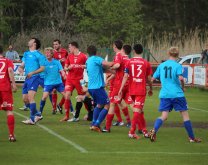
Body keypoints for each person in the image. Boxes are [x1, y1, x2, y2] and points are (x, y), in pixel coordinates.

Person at [149, 46, 201, 143]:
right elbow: (181, 78)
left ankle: (154, 130)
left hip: (165, 94)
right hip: (177, 94)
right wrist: (183, 87)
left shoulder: (161, 65)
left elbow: (151, 79)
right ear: (177, 55)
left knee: (164, 116)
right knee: (185, 116)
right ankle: (192, 138)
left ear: (169, 54)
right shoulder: (177, 66)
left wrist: (151, 89)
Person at [119, 44, 153, 139]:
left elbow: (125, 76)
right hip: (140, 90)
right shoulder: (146, 63)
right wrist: (150, 88)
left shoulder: (129, 62)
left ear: (134, 51)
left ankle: (145, 131)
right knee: (137, 110)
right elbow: (149, 79)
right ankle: (132, 131)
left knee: (139, 110)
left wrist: (121, 89)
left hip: (132, 89)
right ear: (142, 51)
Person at [103, 41, 132, 133]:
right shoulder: (128, 59)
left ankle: (107, 127)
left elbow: (118, 65)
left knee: (112, 103)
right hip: (127, 83)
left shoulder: (118, 55)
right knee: (127, 103)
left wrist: (111, 67)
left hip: (119, 84)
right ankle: (133, 123)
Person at [86, 45, 113, 132]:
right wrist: (116, 62)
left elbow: (103, 69)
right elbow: (106, 64)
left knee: (99, 105)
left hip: (91, 88)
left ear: (88, 53)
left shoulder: (88, 60)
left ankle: (93, 123)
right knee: (107, 105)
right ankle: (97, 124)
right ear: (96, 52)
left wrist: (112, 71)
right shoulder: (96, 59)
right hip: (97, 87)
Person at [18, 38, 46, 125]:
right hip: (27, 78)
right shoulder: (26, 54)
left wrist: (33, 72)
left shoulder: (39, 55)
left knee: (30, 98)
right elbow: (22, 65)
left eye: (30, 40)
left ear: (34, 43)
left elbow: (42, 68)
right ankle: (38, 114)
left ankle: (32, 119)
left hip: (34, 77)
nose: (28, 41)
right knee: (25, 99)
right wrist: (20, 68)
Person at [62, 41, 88, 122]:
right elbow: (65, 68)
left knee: (83, 97)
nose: (69, 49)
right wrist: (68, 68)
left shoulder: (83, 56)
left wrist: (79, 66)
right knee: (67, 95)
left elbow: (87, 65)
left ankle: (90, 113)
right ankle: (66, 116)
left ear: (74, 47)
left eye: (69, 47)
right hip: (69, 79)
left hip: (80, 80)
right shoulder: (69, 56)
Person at [39, 47, 66, 116]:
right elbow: (40, 70)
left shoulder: (56, 62)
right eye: (46, 53)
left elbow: (61, 70)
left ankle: (70, 112)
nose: (47, 54)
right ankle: (39, 113)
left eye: (48, 53)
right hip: (48, 83)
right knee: (44, 97)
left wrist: (63, 74)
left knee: (66, 96)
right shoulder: (43, 63)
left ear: (52, 54)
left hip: (58, 83)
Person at [0, 45, 17, 142]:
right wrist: (13, 84)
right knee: (9, 111)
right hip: (5, 88)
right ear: (2, 52)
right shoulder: (7, 60)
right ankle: (11, 135)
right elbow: (10, 70)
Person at [51, 39, 71, 114]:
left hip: (64, 73)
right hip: (55, 74)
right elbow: (50, 62)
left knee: (67, 91)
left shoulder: (65, 51)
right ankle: (54, 108)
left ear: (60, 44)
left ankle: (60, 105)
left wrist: (65, 60)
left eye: (56, 44)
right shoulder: (52, 52)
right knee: (54, 90)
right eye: (54, 44)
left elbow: (68, 59)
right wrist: (59, 61)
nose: (55, 46)